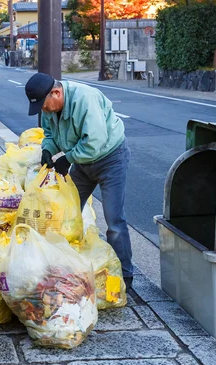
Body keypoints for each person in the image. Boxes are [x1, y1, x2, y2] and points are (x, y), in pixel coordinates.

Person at [24, 72, 135, 289]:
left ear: (56, 92)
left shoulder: (85, 99)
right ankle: (64, 267)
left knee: (114, 220)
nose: (44, 111)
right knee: (66, 212)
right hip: (82, 161)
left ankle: (125, 275)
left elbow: (94, 142)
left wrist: (68, 158)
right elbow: (49, 133)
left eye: (45, 106)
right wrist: (48, 150)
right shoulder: (50, 106)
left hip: (110, 159)